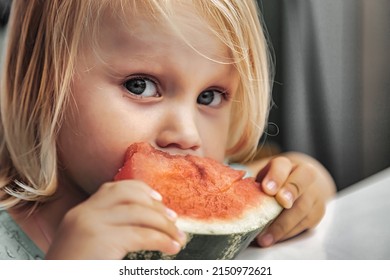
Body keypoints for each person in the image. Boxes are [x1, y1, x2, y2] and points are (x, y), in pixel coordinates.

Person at [0, 0, 336, 260]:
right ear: (40, 87)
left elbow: (300, 186)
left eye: (209, 96)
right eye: (141, 86)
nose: (187, 134)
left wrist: (303, 186)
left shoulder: (216, 188)